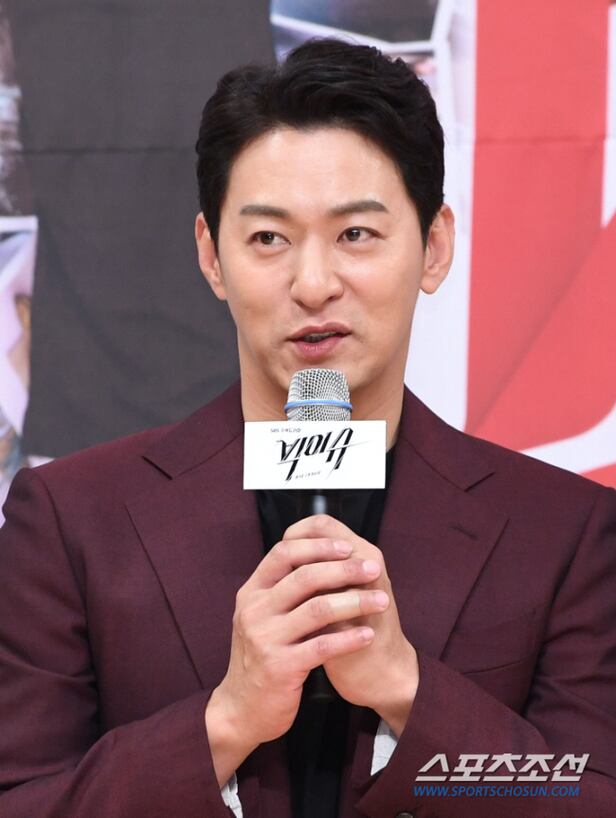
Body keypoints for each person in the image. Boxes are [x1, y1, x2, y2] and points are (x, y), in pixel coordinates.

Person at [0, 38, 615, 818]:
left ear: (433, 247)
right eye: (269, 239)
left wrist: (408, 692)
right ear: (211, 257)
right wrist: (226, 722)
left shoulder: (563, 531)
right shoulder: (72, 519)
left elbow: (586, 797)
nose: (314, 283)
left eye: (355, 235)